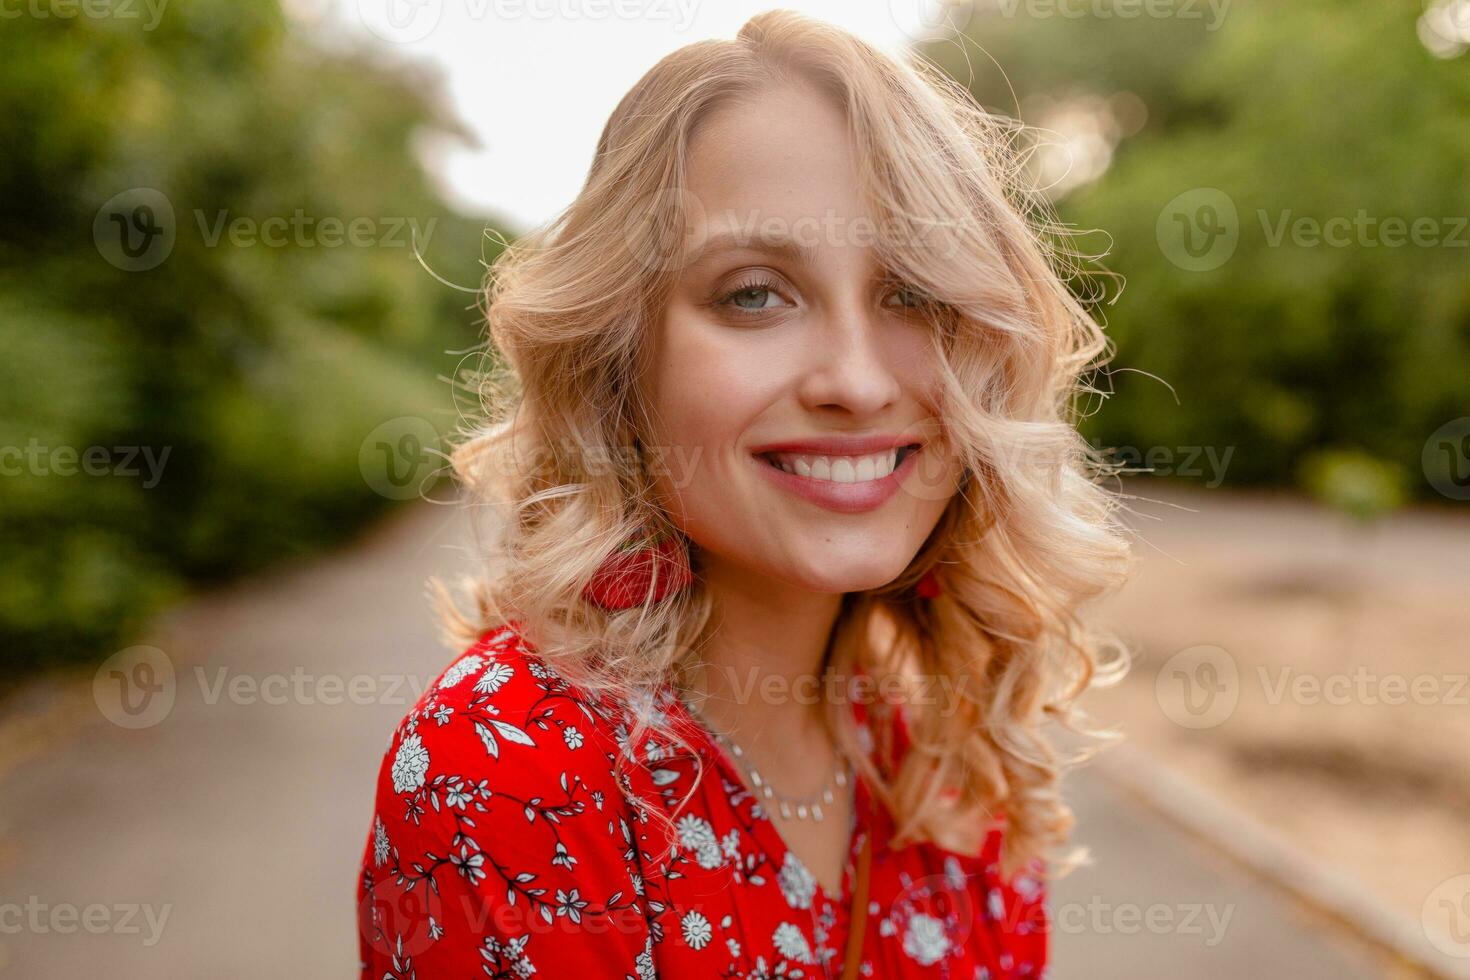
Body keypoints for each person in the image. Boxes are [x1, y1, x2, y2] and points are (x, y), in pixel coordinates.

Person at [358, 9, 1134, 978]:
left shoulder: (939, 754)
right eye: (755, 293)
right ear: (620, 363)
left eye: (913, 292)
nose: (854, 379)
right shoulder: (514, 764)